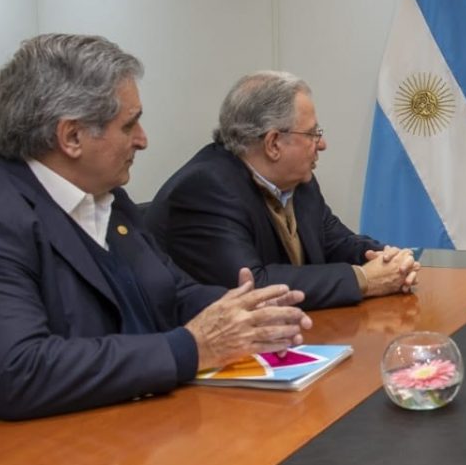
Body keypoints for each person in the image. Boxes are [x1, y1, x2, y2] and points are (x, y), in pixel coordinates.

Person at [0, 34, 312, 445]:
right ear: (71, 137)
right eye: (129, 125)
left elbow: (171, 293)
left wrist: (252, 314)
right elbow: (19, 372)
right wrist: (192, 347)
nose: (143, 139)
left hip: (121, 423)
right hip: (9, 445)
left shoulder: (105, 195)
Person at [145, 71, 419, 310]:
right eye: (312, 134)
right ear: (274, 143)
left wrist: (389, 260)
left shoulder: (299, 182)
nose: (321, 144)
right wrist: (365, 279)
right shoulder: (205, 189)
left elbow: (337, 242)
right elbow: (253, 287)